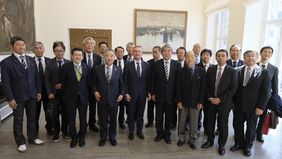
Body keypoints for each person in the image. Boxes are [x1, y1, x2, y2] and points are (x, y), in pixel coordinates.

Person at [0, 36, 44, 152]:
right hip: (17, 97)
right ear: (12, 46)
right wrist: (9, 98)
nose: (21, 47)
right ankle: (20, 142)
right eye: (18, 44)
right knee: (18, 119)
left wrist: (39, 91)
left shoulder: (31, 60)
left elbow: (36, 77)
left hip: (32, 94)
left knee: (32, 118)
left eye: (23, 44)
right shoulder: (6, 63)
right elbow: (5, 82)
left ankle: (32, 137)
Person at [231, 50, 271, 157]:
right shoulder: (238, 70)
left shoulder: (263, 72)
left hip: (254, 107)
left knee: (251, 128)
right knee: (237, 125)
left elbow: (266, 92)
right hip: (238, 105)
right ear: (244, 58)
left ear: (257, 58)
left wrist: (261, 107)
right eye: (247, 56)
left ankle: (248, 146)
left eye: (253, 56)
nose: (250, 58)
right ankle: (238, 143)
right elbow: (234, 89)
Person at [201, 49, 237, 156]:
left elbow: (233, 89)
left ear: (226, 57)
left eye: (223, 56)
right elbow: (206, 85)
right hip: (211, 102)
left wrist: (220, 99)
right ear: (216, 57)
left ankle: (221, 145)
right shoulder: (211, 69)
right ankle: (210, 141)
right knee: (210, 123)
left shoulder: (232, 71)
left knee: (222, 125)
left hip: (224, 103)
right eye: (218, 56)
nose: (220, 57)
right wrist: (210, 98)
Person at [61, 48, 91, 148]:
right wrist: (64, 97)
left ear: (82, 57)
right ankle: (74, 138)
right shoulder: (66, 67)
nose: (78, 57)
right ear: (72, 56)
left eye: (80, 55)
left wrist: (88, 97)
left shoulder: (86, 67)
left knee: (83, 120)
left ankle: (82, 137)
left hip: (83, 98)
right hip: (70, 98)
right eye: (76, 55)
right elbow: (63, 84)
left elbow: (88, 84)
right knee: (71, 119)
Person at [93, 49, 124, 146]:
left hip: (114, 99)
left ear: (114, 57)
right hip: (101, 99)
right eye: (107, 55)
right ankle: (103, 137)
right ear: (104, 57)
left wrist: (121, 94)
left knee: (113, 120)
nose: (109, 57)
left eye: (111, 56)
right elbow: (93, 83)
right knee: (102, 120)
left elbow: (122, 84)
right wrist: (95, 91)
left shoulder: (118, 69)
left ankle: (112, 137)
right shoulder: (97, 68)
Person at [176, 51, 205, 149]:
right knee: (182, 122)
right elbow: (178, 87)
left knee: (194, 123)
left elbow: (202, 88)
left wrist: (201, 101)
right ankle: (181, 138)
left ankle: (192, 140)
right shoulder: (180, 71)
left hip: (195, 102)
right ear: (185, 58)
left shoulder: (201, 71)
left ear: (195, 58)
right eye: (187, 57)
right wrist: (179, 101)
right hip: (183, 102)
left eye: (192, 57)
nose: (189, 59)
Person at [151, 44, 180, 144]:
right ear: (161, 53)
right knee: (159, 117)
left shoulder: (177, 64)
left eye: (169, 51)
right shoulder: (156, 64)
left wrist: (177, 96)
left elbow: (178, 82)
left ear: (171, 53)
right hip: (159, 96)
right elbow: (152, 80)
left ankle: (167, 135)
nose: (167, 53)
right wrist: (153, 93)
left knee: (169, 117)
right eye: (165, 51)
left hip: (171, 97)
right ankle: (159, 134)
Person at [45, 41, 71, 142]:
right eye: (57, 51)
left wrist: (63, 85)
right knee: (54, 114)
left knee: (66, 114)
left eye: (61, 50)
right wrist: (49, 92)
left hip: (66, 94)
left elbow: (71, 80)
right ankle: (56, 133)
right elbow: (46, 79)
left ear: (64, 51)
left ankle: (65, 131)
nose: (59, 53)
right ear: (54, 51)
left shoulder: (69, 63)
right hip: (54, 94)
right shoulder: (49, 63)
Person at [123, 46, 150, 140]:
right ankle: (131, 132)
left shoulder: (147, 65)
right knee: (130, 114)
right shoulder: (128, 65)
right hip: (131, 95)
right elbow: (124, 81)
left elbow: (148, 81)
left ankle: (139, 131)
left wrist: (149, 92)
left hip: (142, 95)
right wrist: (126, 93)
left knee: (140, 114)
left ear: (142, 53)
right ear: (133, 53)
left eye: (139, 51)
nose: (137, 53)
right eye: (135, 51)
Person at [256, 46, 279, 143]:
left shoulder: (274, 69)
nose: (267, 54)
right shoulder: (254, 65)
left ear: (271, 55)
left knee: (262, 117)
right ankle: (250, 132)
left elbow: (275, 86)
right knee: (251, 117)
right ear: (260, 53)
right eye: (265, 52)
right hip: (252, 97)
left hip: (265, 98)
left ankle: (259, 134)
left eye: (269, 52)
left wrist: (273, 100)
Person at [81, 37, 101, 132]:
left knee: (93, 107)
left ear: (94, 46)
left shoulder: (98, 58)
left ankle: (92, 124)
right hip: (83, 87)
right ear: (84, 45)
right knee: (83, 107)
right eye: (87, 43)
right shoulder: (80, 56)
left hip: (94, 87)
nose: (89, 45)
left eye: (91, 44)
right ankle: (83, 125)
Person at [32, 41, 52, 136]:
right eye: (36, 48)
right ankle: (34, 131)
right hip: (35, 92)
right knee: (35, 113)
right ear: (33, 50)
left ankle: (49, 128)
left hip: (48, 91)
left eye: (40, 48)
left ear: (44, 49)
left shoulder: (50, 61)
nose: (39, 50)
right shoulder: (29, 61)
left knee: (49, 112)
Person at [196, 49, 214, 133]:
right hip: (198, 94)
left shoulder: (214, 67)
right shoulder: (196, 66)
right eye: (204, 54)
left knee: (208, 113)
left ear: (210, 56)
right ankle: (197, 126)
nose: (206, 56)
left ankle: (207, 129)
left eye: (207, 54)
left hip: (209, 95)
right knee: (197, 113)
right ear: (201, 56)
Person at [145, 46, 161, 128]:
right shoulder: (148, 63)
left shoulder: (163, 62)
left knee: (159, 109)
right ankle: (150, 121)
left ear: (160, 52)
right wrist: (149, 91)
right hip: (151, 89)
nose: (154, 53)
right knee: (150, 107)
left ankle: (158, 122)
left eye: (155, 52)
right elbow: (147, 78)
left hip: (160, 90)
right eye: (153, 52)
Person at [113, 46, 127, 129]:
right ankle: (112, 122)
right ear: (115, 53)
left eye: (121, 51)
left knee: (122, 108)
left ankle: (121, 122)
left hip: (124, 89)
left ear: (123, 53)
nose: (120, 53)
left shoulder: (128, 63)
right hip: (114, 89)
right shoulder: (112, 62)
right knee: (113, 108)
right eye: (118, 51)